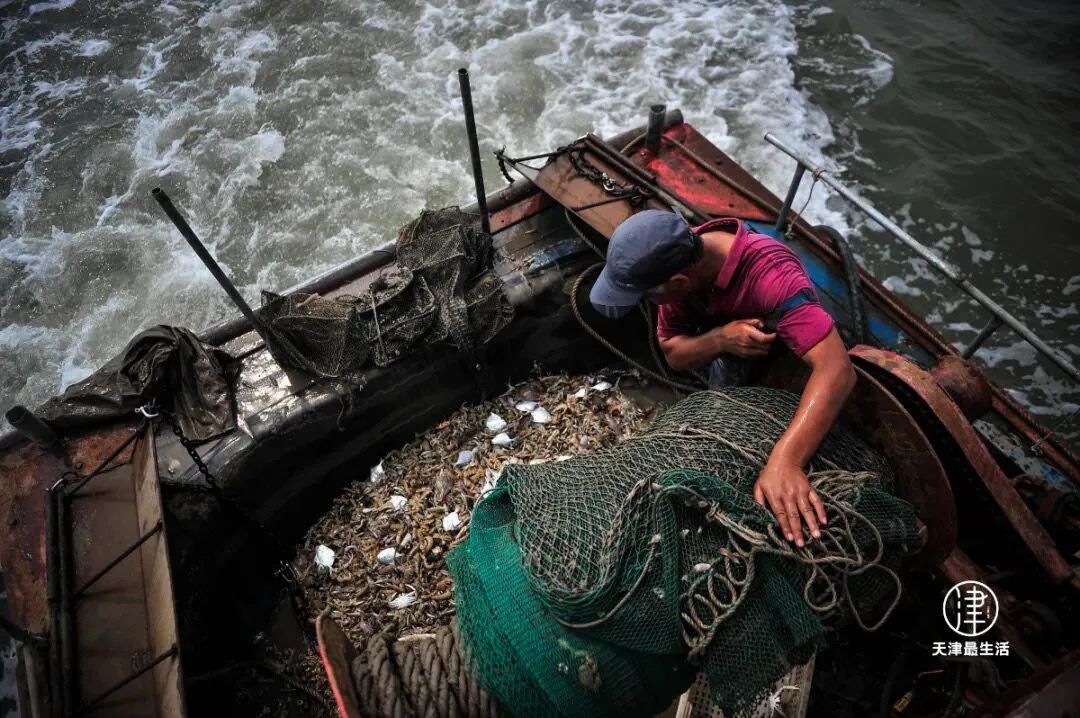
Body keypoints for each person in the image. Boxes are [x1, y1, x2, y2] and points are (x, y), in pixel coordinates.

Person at [589, 208, 857, 547]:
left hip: (792, 364)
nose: (649, 304)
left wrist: (786, 461)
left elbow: (837, 370)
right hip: (731, 360)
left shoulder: (772, 278)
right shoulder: (676, 262)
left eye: (647, 297)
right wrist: (721, 340)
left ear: (678, 284)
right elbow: (673, 352)